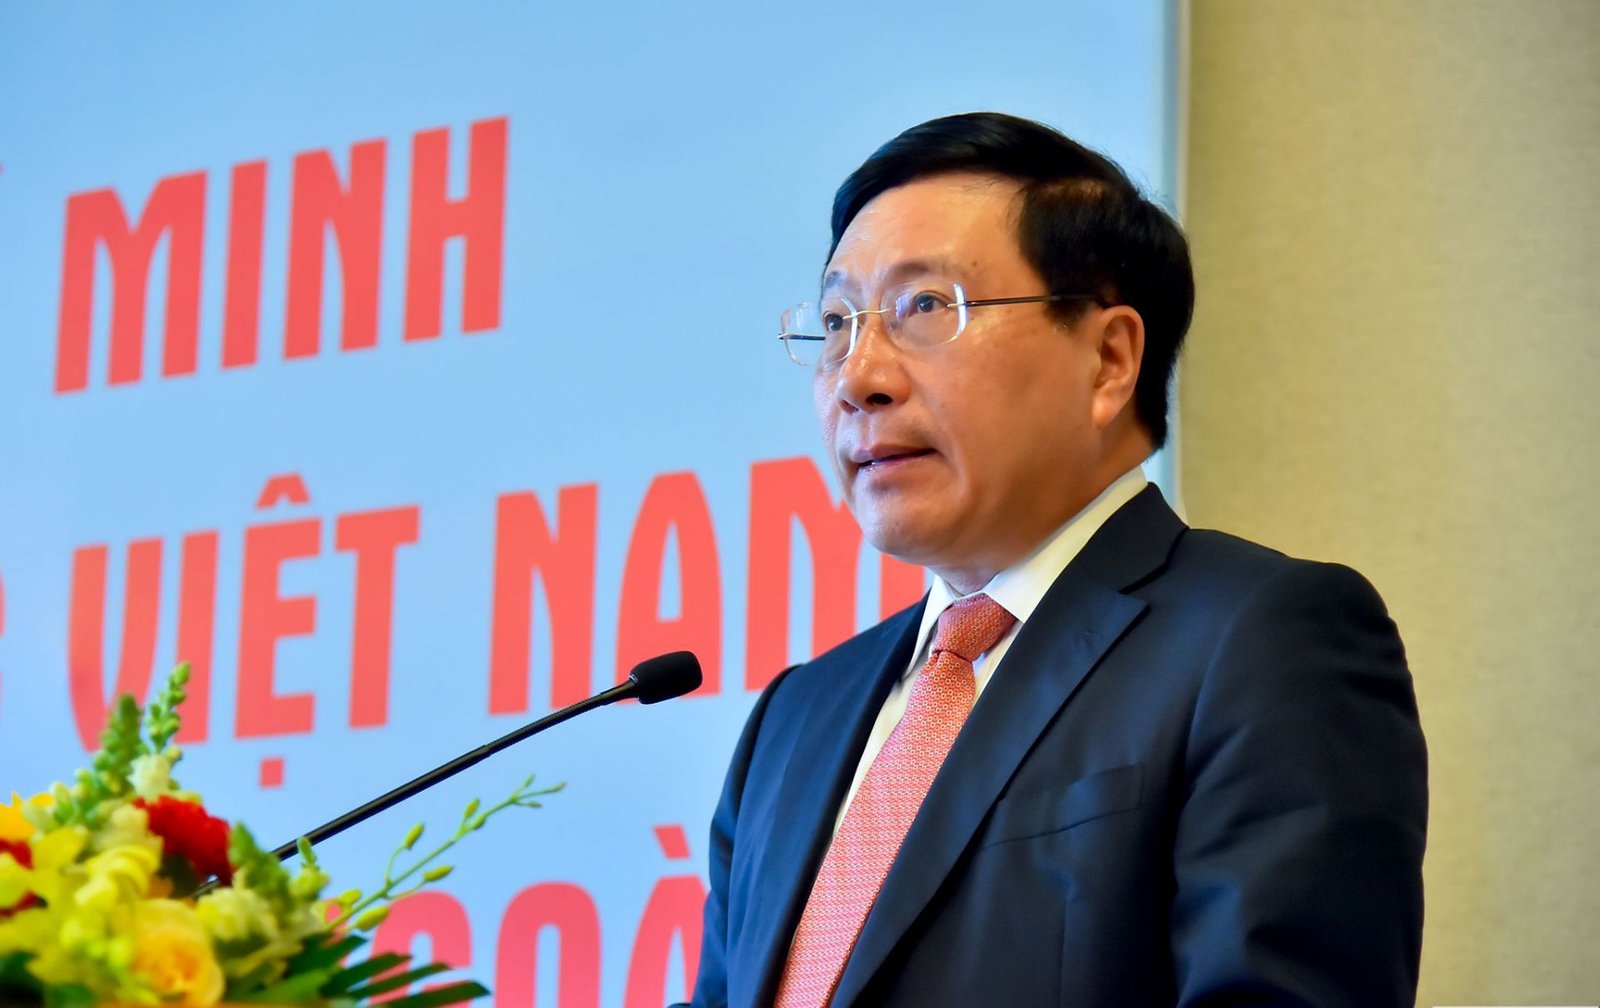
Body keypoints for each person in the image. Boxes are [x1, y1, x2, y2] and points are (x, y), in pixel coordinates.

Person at [684, 112, 1428, 1008]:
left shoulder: (1260, 641)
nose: (858, 378)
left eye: (926, 307)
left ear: (1109, 359)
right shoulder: (796, 718)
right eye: (839, 322)